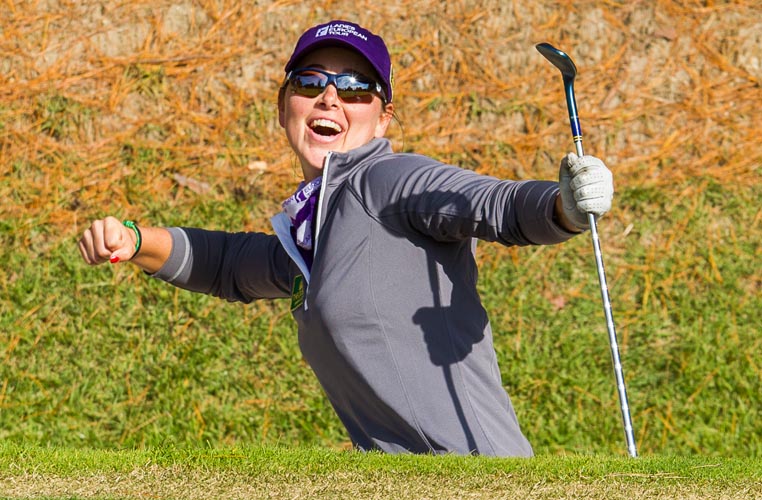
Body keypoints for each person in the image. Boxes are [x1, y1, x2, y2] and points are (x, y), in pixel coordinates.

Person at [78, 20, 614, 457]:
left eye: (357, 88)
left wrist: (562, 206)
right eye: (311, 83)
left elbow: (490, 204)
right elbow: (226, 265)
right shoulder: (311, 229)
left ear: (382, 119)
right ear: (285, 105)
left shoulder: (386, 181)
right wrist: (132, 238)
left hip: (476, 481)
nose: (331, 98)